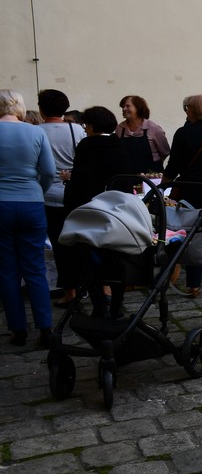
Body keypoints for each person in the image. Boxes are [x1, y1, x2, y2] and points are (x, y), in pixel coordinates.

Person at [62, 106, 133, 319]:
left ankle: (99, 305)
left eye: (86, 125)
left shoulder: (87, 145)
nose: (85, 129)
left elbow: (81, 180)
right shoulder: (118, 143)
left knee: (91, 258)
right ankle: (117, 304)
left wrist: (70, 196)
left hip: (92, 209)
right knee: (116, 258)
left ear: (92, 126)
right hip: (117, 209)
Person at [0, 90, 55, 347]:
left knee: (7, 271)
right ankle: (45, 327)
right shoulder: (36, 132)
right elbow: (49, 171)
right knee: (35, 268)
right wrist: (37, 191)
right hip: (31, 201)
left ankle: (18, 329)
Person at [162, 94, 202, 297]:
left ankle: (193, 284)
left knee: (194, 235)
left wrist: (163, 185)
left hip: (191, 191)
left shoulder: (183, 133)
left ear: (192, 110)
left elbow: (174, 165)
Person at [37, 89, 85, 306]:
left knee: (60, 245)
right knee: (80, 242)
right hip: (75, 192)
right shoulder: (77, 129)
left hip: (48, 194)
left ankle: (70, 291)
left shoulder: (36, 131)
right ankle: (85, 285)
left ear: (41, 109)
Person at [116, 95, 170, 174]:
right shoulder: (120, 128)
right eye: (123, 107)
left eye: (128, 106)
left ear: (138, 107)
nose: (124, 109)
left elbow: (165, 151)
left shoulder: (153, 128)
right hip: (127, 175)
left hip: (151, 175)